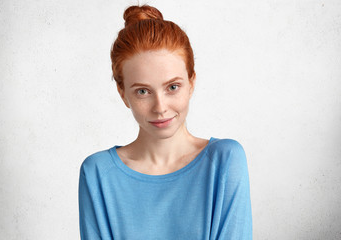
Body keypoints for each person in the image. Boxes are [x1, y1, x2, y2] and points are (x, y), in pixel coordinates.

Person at [78, 5, 252, 240]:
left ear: (191, 83)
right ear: (122, 93)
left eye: (172, 87)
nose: (160, 107)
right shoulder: (98, 173)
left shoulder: (224, 160)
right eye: (142, 91)